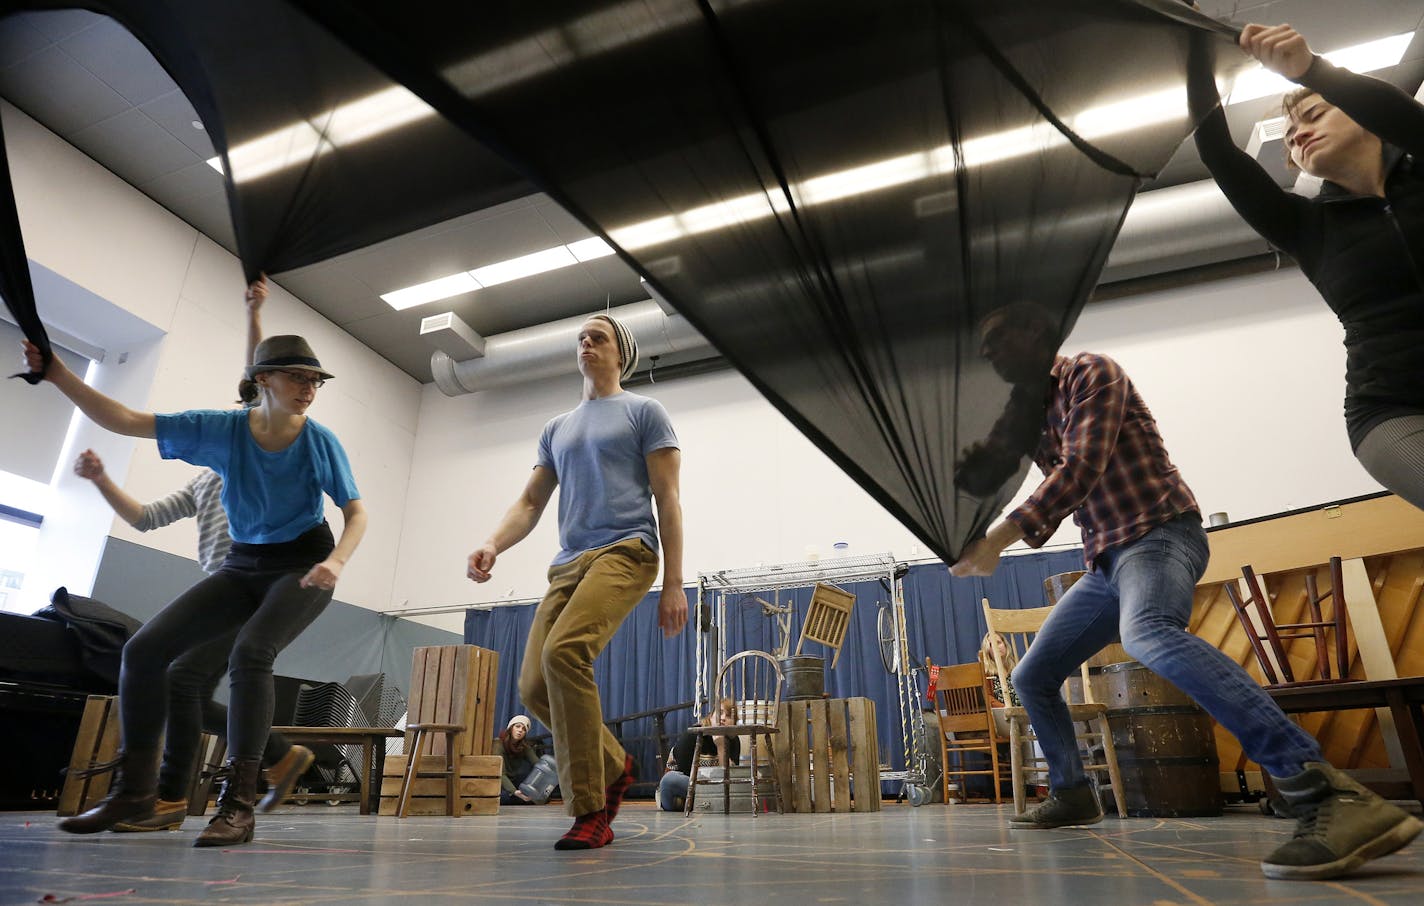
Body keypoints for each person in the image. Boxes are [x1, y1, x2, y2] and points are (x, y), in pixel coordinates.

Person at [949, 303, 1421, 880]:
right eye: (983, 346)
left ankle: (1324, 791)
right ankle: (1073, 792)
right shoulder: (1024, 411)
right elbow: (989, 466)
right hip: (1105, 565)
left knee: (1147, 633)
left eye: (997, 337)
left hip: (1159, 534)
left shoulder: (1091, 372)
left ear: (1035, 331)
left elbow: (1079, 470)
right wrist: (966, 477)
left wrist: (996, 539)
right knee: (1031, 675)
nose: (988, 352)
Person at [25, 280, 367, 848]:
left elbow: (356, 512)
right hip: (240, 565)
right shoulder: (221, 431)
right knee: (144, 651)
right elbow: (126, 420)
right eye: (298, 377)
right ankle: (137, 793)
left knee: (251, 653)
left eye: (315, 381)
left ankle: (238, 803)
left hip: (304, 563)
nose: (309, 388)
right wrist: (59, 372)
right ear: (263, 382)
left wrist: (336, 562)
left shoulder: (319, 441)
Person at [467, 313, 686, 850]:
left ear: (620, 354)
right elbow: (530, 502)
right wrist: (493, 543)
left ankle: (590, 808)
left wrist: (675, 581)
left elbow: (668, 498)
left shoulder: (644, 412)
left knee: (564, 653)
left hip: (627, 549)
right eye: (581, 339)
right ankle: (614, 761)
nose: (586, 344)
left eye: (599, 338)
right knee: (534, 685)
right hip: (569, 561)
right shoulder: (557, 427)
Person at [1190, 23, 1424, 511]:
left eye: (1314, 115)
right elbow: (1218, 153)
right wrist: (1191, 45)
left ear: (1361, 116)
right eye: (1291, 138)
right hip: (1392, 411)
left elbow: (1403, 119)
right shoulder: (1305, 225)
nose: (1299, 135)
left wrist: (1310, 71)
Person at [72, 449, 314, 828]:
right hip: (223, 589)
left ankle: (170, 798)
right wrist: (102, 479)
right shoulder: (202, 481)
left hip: (261, 590)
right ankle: (280, 755)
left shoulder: (268, 468)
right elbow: (146, 517)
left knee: (180, 679)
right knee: (187, 690)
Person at [658, 698, 740, 812]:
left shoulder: (734, 740)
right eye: (720, 713)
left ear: (734, 723)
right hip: (685, 788)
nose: (723, 718)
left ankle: (706, 804)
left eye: (729, 716)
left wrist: (721, 747)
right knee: (669, 780)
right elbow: (688, 776)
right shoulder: (692, 737)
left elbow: (730, 777)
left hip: (713, 788)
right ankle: (708, 803)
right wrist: (715, 786)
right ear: (711, 716)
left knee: (732, 785)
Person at [497, 715, 540, 805]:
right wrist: (514, 791)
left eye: (524, 729)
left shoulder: (523, 746)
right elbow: (501, 773)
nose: (520, 730)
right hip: (498, 782)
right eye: (517, 726)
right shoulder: (499, 744)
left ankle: (521, 798)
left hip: (513, 780)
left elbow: (538, 764)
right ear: (511, 728)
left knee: (537, 796)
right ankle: (518, 798)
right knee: (504, 798)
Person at [978, 631, 1019, 708]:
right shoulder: (986, 673)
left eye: (998, 642)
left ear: (1005, 645)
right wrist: (1007, 709)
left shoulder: (1015, 669)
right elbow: (988, 698)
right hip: (1001, 714)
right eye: (991, 645)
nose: (996, 646)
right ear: (988, 651)